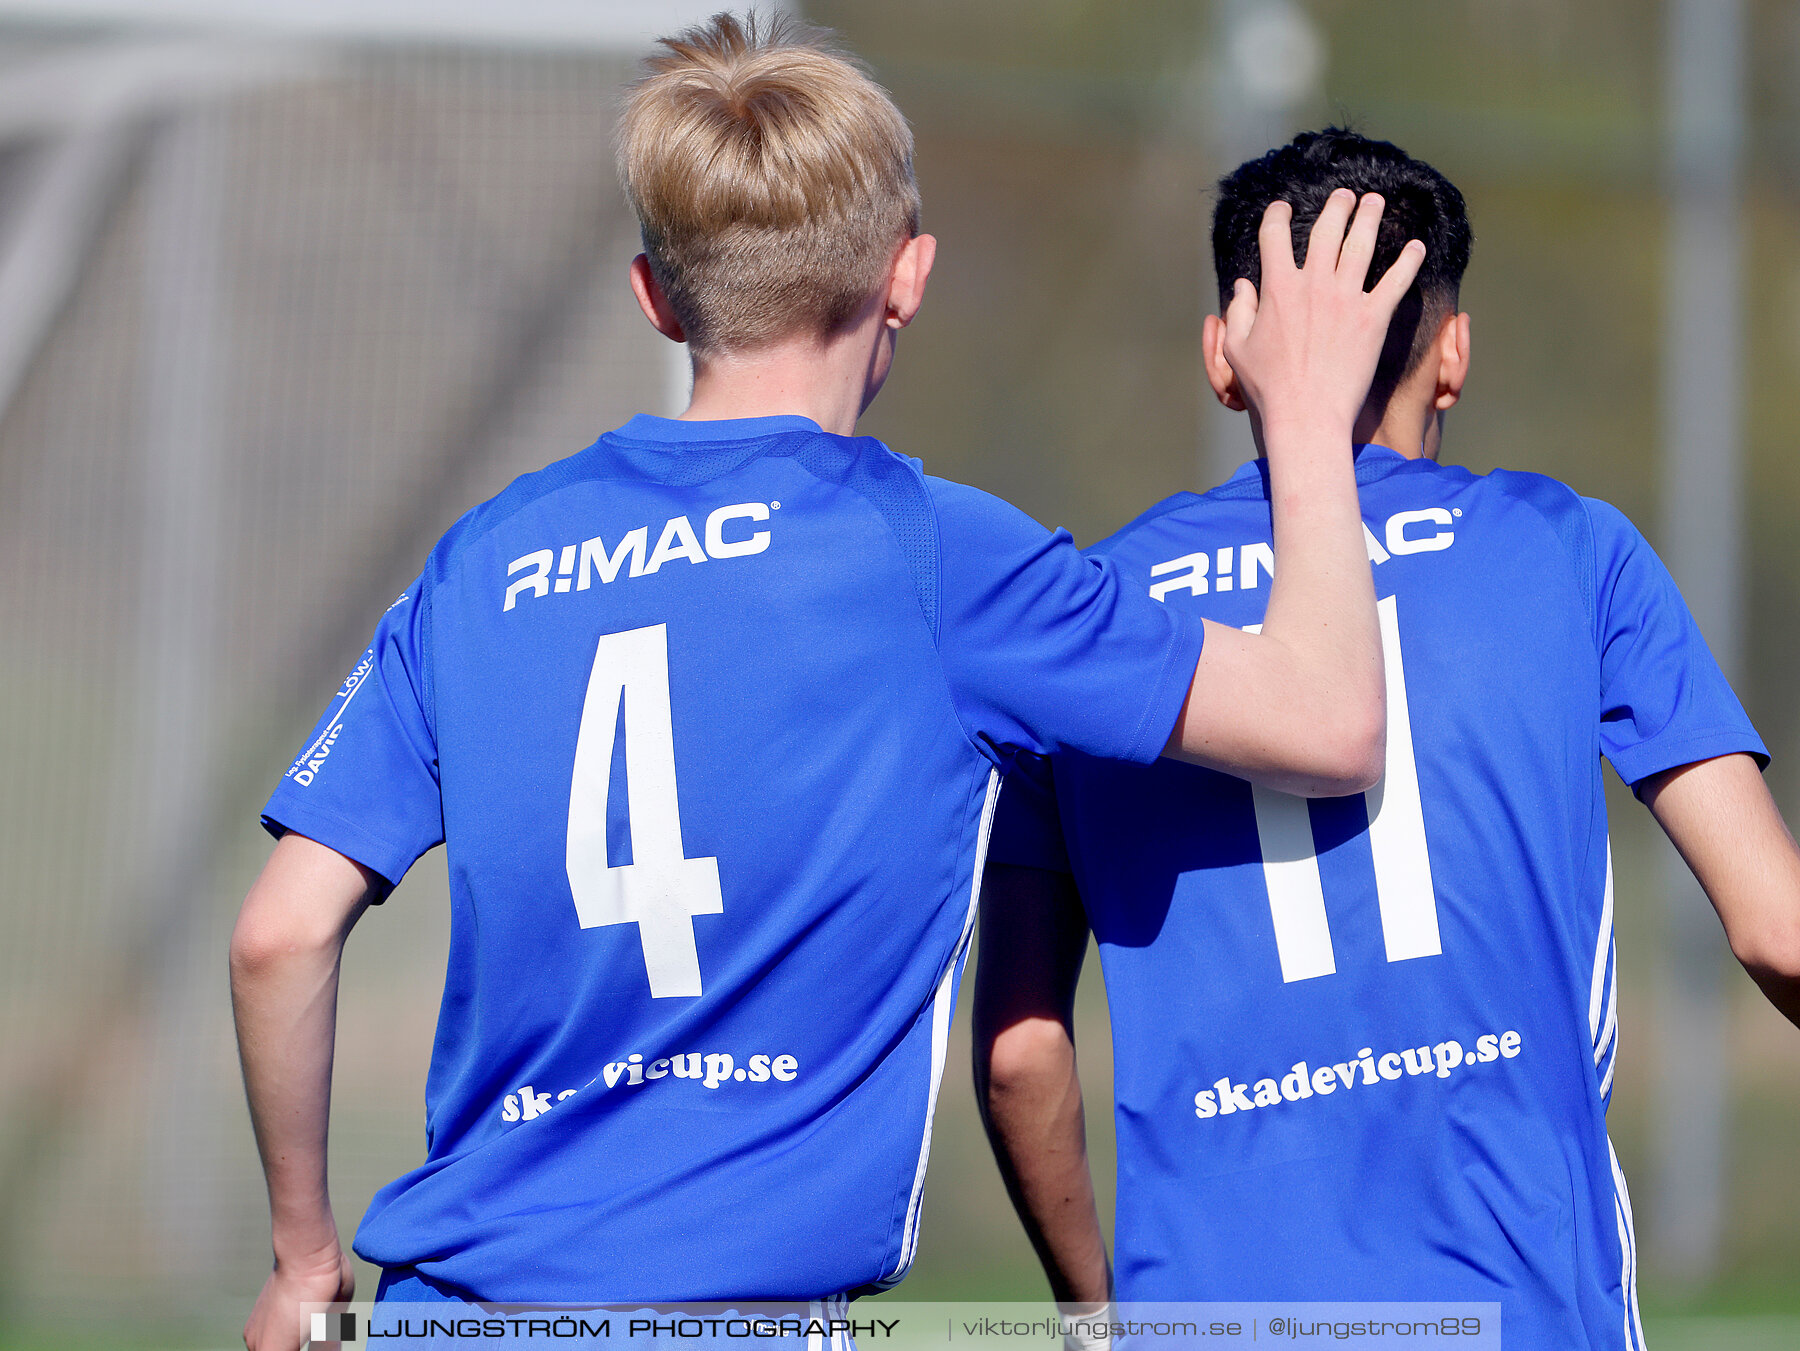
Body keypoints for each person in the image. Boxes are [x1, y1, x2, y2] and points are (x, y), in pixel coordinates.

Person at [230, 15, 1423, 1345]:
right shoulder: (936, 553)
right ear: (907, 277)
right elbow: (1331, 719)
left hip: (442, 1314)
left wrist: (301, 1252)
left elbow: (279, 934)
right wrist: (1312, 422)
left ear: (655, 294)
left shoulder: (482, 561)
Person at [975, 127, 1800, 1350]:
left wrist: (1098, 1311)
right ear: (1453, 352)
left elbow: (1020, 1053)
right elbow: (1778, 929)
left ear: (1225, 358)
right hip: (1527, 1309)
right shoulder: (1572, 551)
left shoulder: (1091, 614)